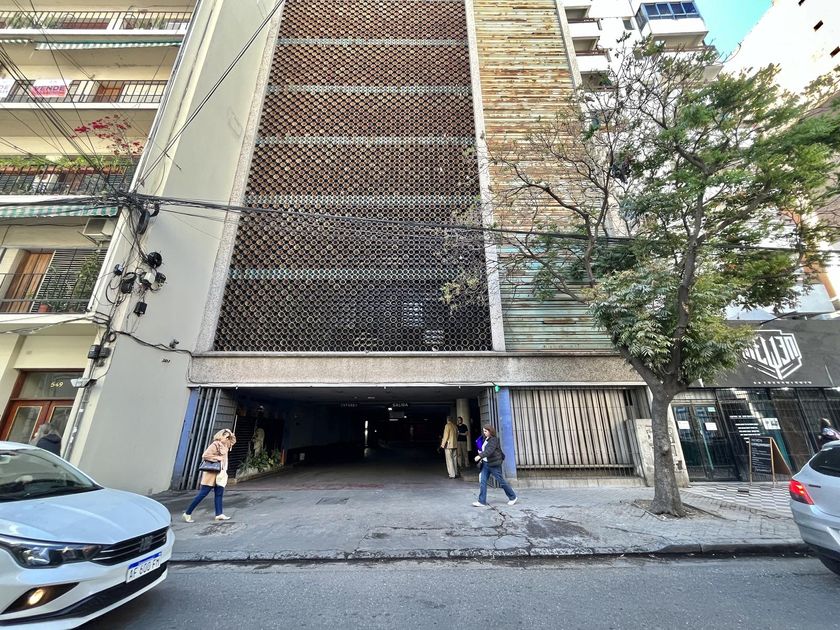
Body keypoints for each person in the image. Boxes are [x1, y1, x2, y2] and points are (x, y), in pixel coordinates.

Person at [183, 429, 236, 522]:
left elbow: (233, 441)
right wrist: (218, 458)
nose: (228, 439)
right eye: (226, 437)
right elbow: (205, 456)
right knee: (202, 494)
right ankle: (187, 513)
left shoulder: (226, 445)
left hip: (221, 473)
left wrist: (229, 433)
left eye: (228, 437)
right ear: (221, 436)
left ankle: (219, 514)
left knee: (219, 494)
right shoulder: (215, 444)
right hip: (211, 474)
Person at [472, 425, 517, 507]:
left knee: (501, 481)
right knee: (483, 481)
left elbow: (489, 451)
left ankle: (513, 497)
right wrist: (480, 451)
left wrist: (479, 456)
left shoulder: (494, 440)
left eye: (486, 431)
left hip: (493, 464)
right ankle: (481, 501)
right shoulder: (485, 438)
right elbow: (485, 450)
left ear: (490, 431)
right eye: (483, 431)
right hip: (485, 464)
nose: (484, 433)